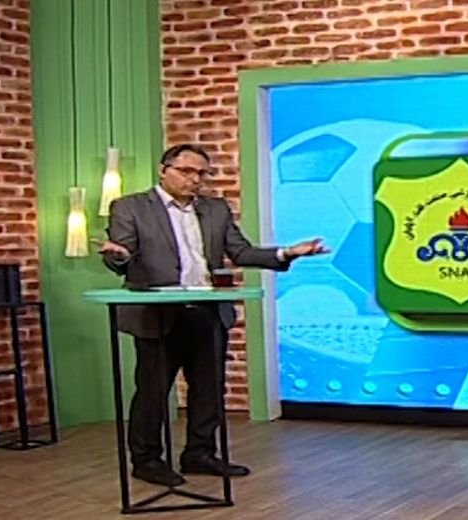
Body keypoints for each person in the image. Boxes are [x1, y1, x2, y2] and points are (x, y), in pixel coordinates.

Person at [99, 143, 327, 487]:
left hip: (207, 312)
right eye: (186, 171)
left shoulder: (216, 209)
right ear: (164, 170)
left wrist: (287, 253)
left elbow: (241, 252)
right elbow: (122, 256)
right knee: (153, 391)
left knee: (209, 389)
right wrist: (117, 255)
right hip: (158, 314)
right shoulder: (130, 207)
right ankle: (146, 460)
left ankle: (200, 454)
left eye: (202, 174)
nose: (195, 180)